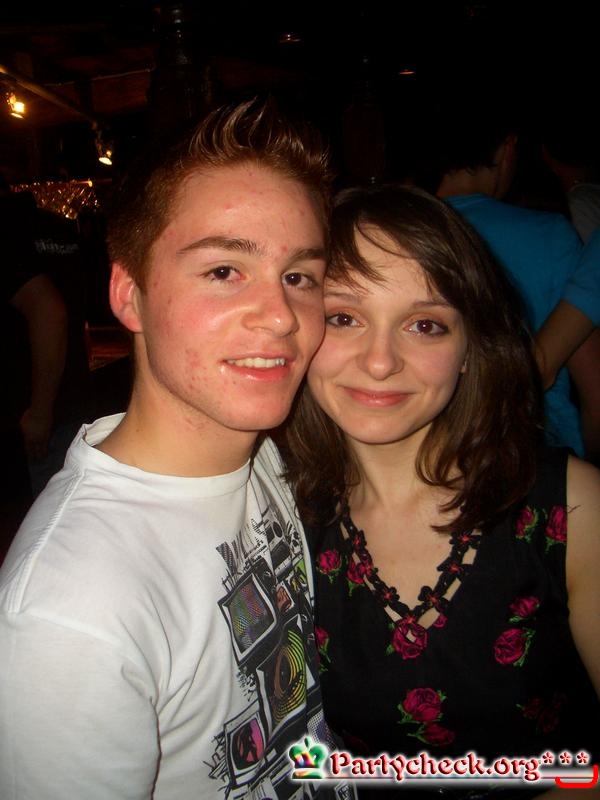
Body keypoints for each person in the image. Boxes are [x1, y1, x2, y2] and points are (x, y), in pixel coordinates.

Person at [0, 97, 352, 800]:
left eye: (299, 277)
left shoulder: (265, 458)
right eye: (224, 271)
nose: (281, 316)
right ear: (128, 295)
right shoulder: (68, 612)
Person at [282, 184, 600, 798]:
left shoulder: (572, 507)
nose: (380, 361)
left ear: (470, 349)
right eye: (345, 318)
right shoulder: (279, 522)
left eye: (425, 325)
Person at [433, 106, 586, 457]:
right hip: (540, 448)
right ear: (508, 148)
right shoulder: (551, 236)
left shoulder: (400, 234)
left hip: (439, 448)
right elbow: (592, 382)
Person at [0, 176, 67, 557]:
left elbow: (51, 311)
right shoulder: (56, 225)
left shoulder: (6, 228)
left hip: (34, 411)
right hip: (75, 399)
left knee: (44, 538)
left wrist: (40, 411)